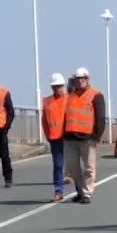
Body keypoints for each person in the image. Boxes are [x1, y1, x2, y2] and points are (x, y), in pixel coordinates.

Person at [63, 67, 106, 204]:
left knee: (89, 167)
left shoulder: (96, 95)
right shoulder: (69, 96)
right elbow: (64, 115)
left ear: (87, 79)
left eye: (83, 78)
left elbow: (100, 118)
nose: (80, 81)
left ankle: (86, 193)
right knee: (72, 167)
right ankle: (80, 191)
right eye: (77, 79)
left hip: (88, 138)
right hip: (70, 137)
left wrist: (96, 136)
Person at [41, 73, 69, 201]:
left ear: (63, 86)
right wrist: (48, 135)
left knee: (74, 164)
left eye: (59, 86)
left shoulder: (70, 99)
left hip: (70, 137)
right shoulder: (47, 101)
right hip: (55, 138)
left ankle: (81, 190)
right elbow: (44, 121)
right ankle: (58, 191)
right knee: (58, 165)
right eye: (54, 86)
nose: (57, 88)